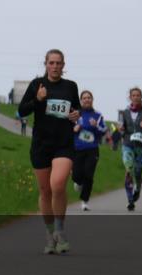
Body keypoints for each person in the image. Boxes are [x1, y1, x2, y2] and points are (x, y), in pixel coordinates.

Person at [17, 49, 80, 254]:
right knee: (45, 191)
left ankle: (60, 231)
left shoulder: (71, 86)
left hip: (64, 143)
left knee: (58, 185)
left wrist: (76, 115)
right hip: (41, 144)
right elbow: (22, 111)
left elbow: (76, 110)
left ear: (63, 65)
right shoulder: (37, 84)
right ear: (45, 64)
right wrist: (38, 99)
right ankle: (49, 233)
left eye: (58, 63)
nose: (55, 66)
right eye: (51, 63)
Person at [119, 87, 142, 211]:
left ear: (141, 97)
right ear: (130, 97)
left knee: (138, 172)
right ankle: (130, 200)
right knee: (129, 169)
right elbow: (122, 127)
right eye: (133, 95)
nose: (135, 97)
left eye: (138, 95)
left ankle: (138, 188)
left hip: (141, 147)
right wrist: (121, 129)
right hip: (128, 145)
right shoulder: (125, 112)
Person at [71, 90, 106, 211]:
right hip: (77, 149)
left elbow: (103, 131)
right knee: (76, 176)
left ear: (92, 99)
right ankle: (79, 183)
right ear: (81, 101)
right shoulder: (76, 114)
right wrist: (74, 129)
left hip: (92, 150)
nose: (87, 100)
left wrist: (96, 126)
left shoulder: (98, 115)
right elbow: (66, 129)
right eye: (84, 98)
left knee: (88, 175)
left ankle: (85, 201)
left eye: (89, 97)